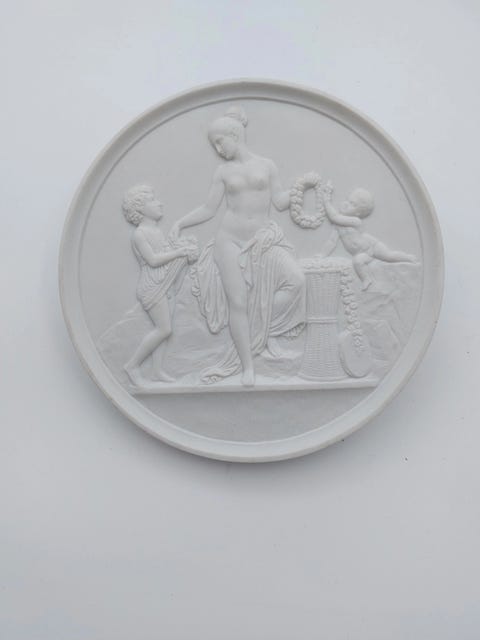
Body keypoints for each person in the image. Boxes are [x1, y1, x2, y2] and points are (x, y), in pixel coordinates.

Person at [171, 106, 306, 386]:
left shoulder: (267, 165)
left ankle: (262, 330)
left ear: (234, 135)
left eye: (220, 142)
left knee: (296, 281)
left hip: (263, 239)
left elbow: (280, 202)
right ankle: (247, 367)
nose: (218, 149)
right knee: (238, 302)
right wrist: (181, 223)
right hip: (229, 240)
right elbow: (209, 209)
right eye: (214, 145)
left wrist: (300, 189)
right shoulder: (222, 171)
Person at [122, 184, 197, 386]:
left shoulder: (155, 230)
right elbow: (153, 260)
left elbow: (165, 253)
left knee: (165, 330)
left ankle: (156, 371)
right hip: (151, 287)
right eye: (153, 201)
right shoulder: (140, 234)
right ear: (140, 208)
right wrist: (180, 252)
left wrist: (184, 248)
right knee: (164, 329)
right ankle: (132, 365)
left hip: (165, 283)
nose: (159, 203)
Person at [322, 187, 417, 290]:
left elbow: (334, 217)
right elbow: (332, 242)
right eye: (348, 201)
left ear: (358, 213)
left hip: (372, 246)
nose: (346, 204)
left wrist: (326, 201)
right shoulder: (338, 226)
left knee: (389, 256)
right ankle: (367, 279)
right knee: (357, 262)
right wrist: (323, 255)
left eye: (352, 204)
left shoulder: (355, 221)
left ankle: (408, 258)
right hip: (363, 253)